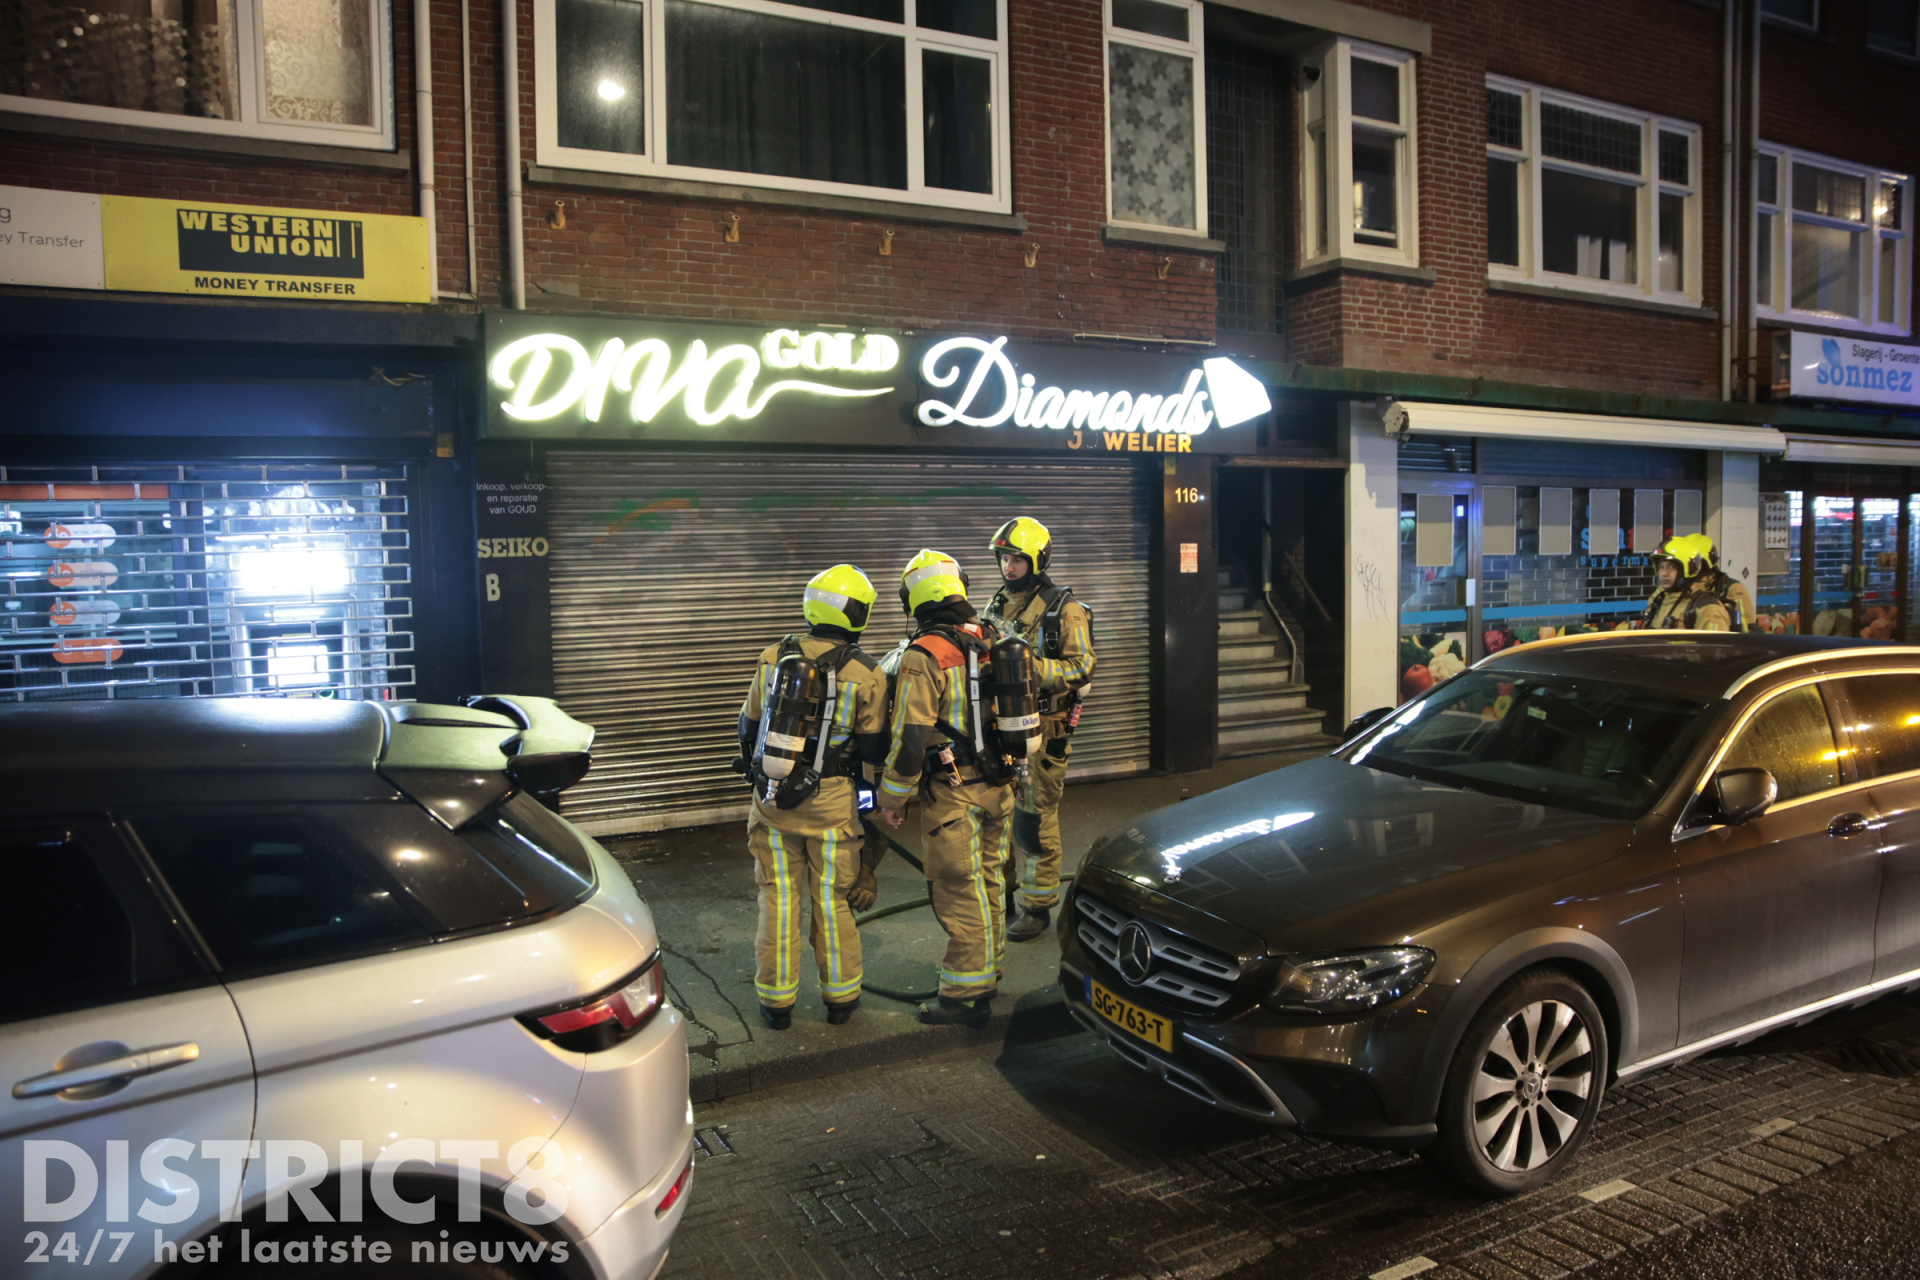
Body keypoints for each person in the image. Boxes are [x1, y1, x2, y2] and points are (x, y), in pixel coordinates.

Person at [737, 564, 891, 1030]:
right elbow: (873, 753)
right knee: (833, 899)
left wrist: (764, 784)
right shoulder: (867, 673)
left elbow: (748, 729)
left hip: (773, 803)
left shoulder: (771, 656)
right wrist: (867, 810)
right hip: (833, 808)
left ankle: (776, 1003)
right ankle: (841, 1000)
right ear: (857, 614)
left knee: (778, 899)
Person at [875, 550, 1014, 1029]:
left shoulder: (925, 654)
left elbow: (911, 737)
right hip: (999, 782)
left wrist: (891, 799)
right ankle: (988, 969)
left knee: (959, 888)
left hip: (953, 791)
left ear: (915, 597)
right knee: (989, 878)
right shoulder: (993, 636)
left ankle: (966, 993)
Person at [983, 517, 1096, 943]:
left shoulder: (1062, 608)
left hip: (1044, 728)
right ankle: (1005, 892)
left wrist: (1029, 668)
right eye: (1004, 558)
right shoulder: (1001, 599)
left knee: (1034, 817)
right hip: (1004, 724)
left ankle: (1037, 905)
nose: (1008, 567)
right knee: (1000, 811)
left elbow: (1083, 665)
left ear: (1037, 560)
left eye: (1016, 559)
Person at [1641, 533, 1737, 631]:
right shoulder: (1659, 600)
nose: (1664, 573)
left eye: (1671, 567)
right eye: (1661, 567)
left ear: (1687, 569)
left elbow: (1716, 646)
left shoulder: (1707, 607)